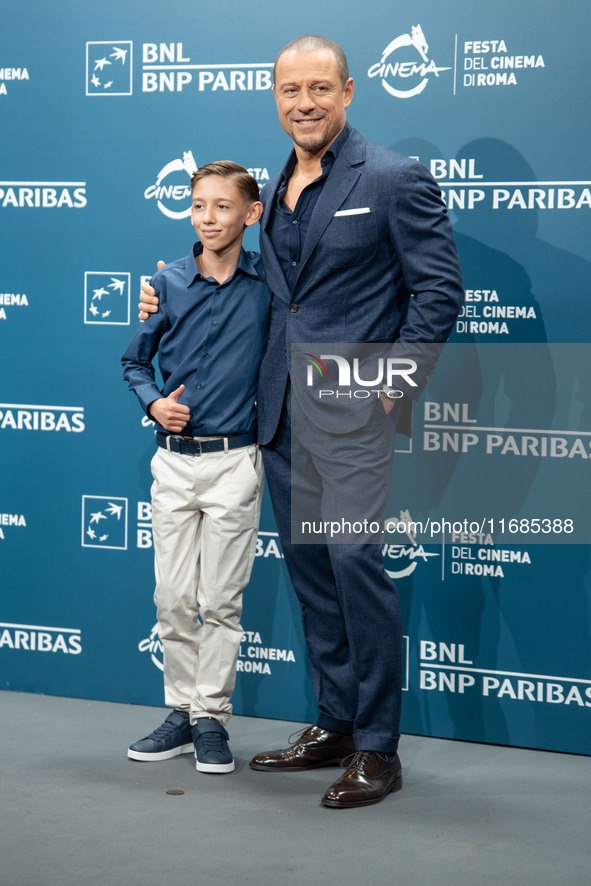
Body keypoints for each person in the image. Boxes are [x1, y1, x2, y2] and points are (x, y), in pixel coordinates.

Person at [139, 36, 464, 806]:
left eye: (319, 88)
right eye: (291, 90)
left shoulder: (391, 177)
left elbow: (437, 293)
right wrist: (164, 293)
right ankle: (336, 724)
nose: (305, 103)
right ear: (275, 97)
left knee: (355, 568)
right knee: (314, 578)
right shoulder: (276, 181)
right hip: (278, 415)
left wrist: (388, 389)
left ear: (347, 90)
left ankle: (379, 747)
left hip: (351, 412)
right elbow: (251, 281)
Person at [123, 161, 270, 774]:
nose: (208, 218)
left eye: (222, 206)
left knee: (222, 599)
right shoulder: (167, 282)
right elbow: (134, 363)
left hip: (236, 459)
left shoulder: (272, 284)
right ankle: (181, 713)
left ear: (251, 214)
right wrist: (153, 401)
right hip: (173, 464)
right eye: (198, 206)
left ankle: (212, 716)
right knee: (173, 596)